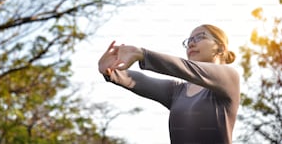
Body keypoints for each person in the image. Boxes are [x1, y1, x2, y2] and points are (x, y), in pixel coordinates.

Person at [98, 24, 240, 144]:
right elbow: (139, 81)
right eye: (189, 40)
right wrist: (111, 71)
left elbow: (185, 68)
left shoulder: (230, 77)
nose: (191, 43)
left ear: (220, 48)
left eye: (200, 37)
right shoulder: (177, 90)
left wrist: (142, 54)